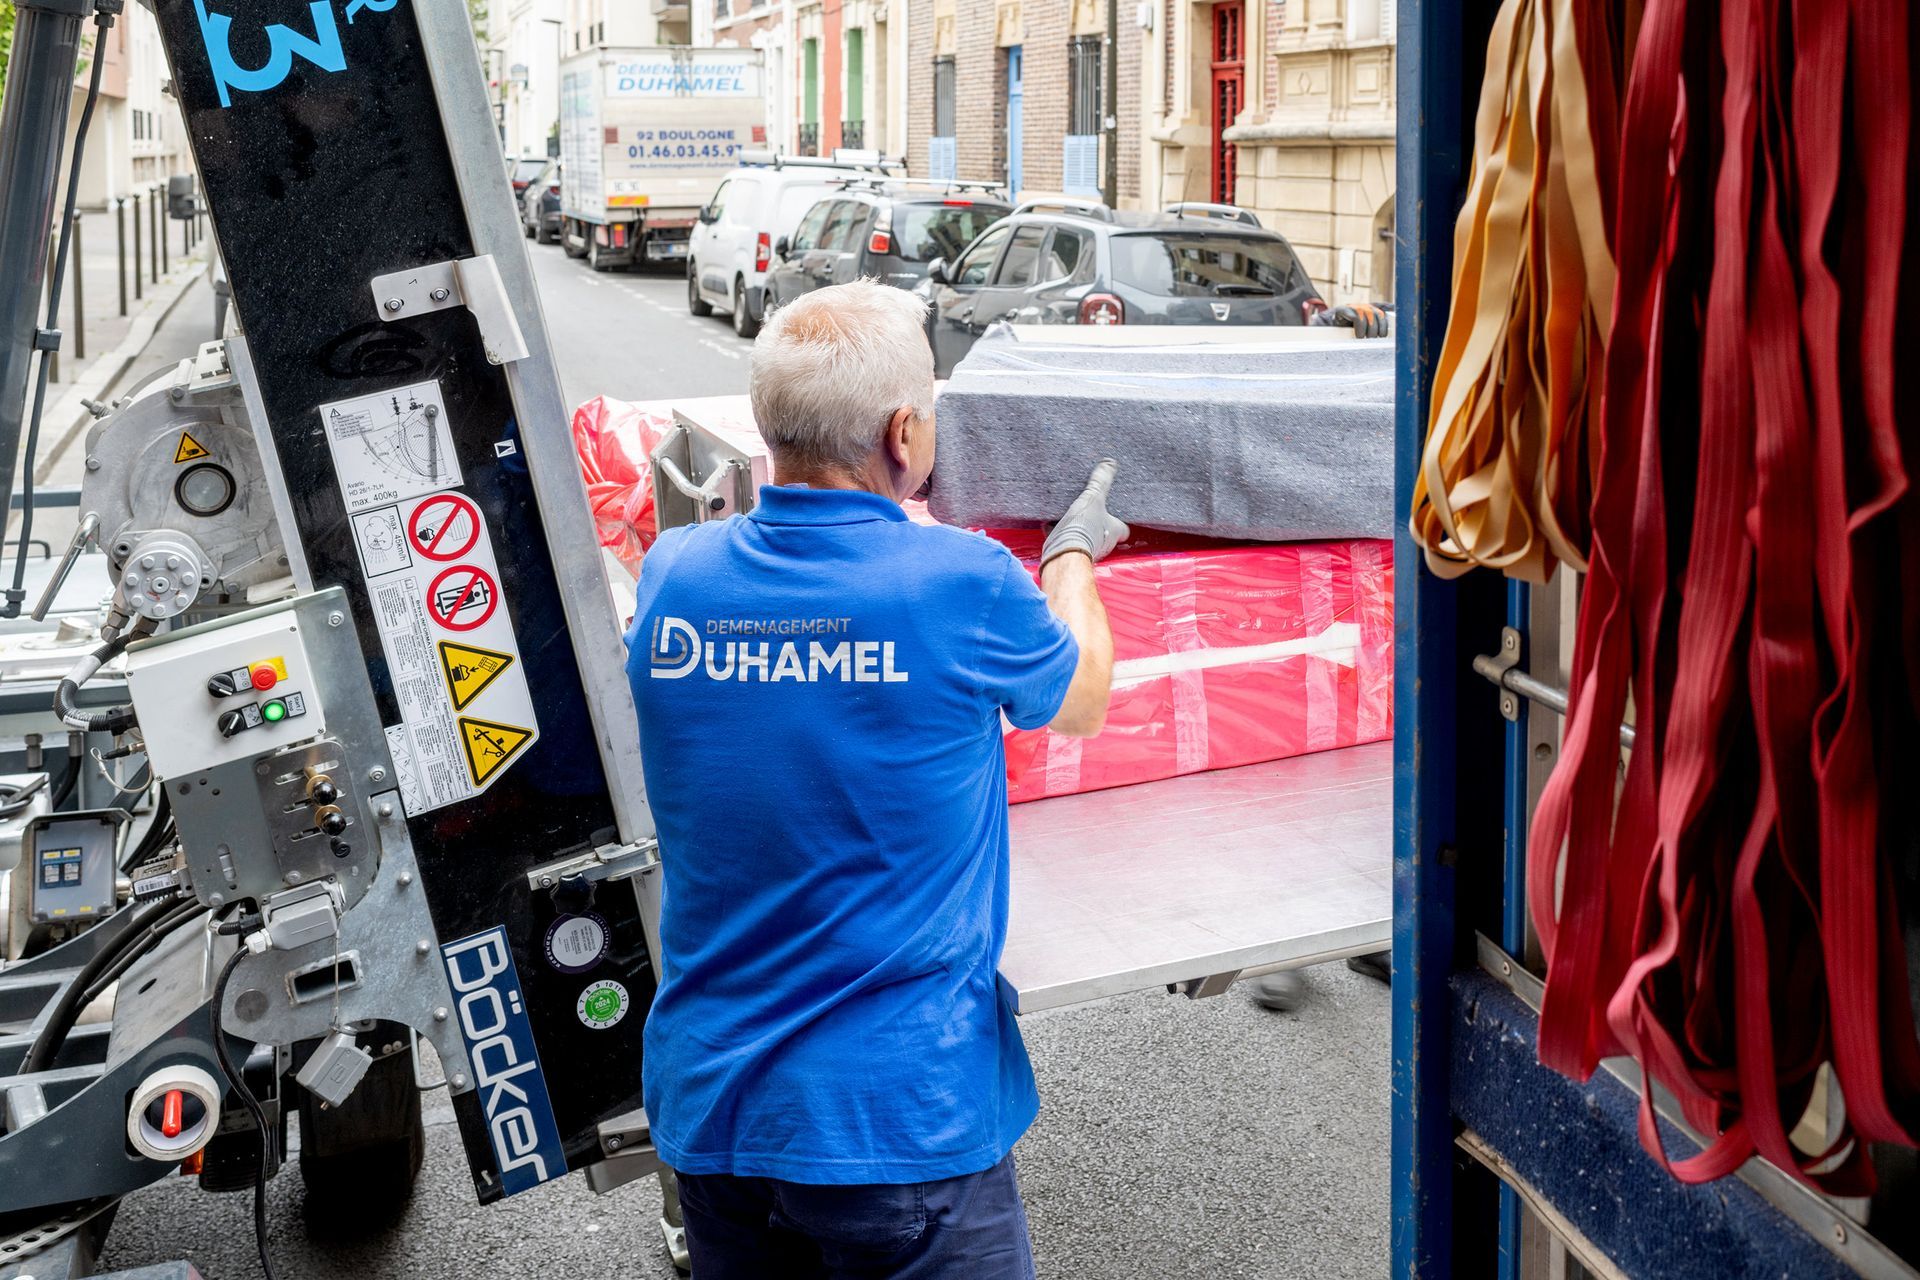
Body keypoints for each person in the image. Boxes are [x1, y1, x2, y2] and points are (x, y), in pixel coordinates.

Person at [623, 280, 1124, 1279]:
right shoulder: (963, 584)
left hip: (713, 1108)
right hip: (894, 1119)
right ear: (905, 433)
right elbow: (1080, 700)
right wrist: (1070, 558)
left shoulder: (675, 575)